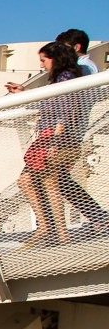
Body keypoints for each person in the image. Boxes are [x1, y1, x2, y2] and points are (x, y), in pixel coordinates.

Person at [7, 42, 104, 247]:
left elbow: (66, 110)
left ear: (55, 58)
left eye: (44, 60)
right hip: (55, 139)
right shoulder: (62, 79)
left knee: (41, 182)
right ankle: (57, 233)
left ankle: (51, 231)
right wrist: (24, 92)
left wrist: (55, 142)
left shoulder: (66, 78)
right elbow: (49, 106)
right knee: (50, 182)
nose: (42, 65)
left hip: (56, 140)